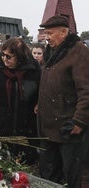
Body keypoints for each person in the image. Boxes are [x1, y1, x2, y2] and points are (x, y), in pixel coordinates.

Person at [37, 15, 89, 188]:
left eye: (50, 33)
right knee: (49, 173)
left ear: (64, 32)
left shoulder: (79, 51)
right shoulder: (51, 51)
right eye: (45, 34)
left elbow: (86, 90)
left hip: (69, 127)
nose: (47, 37)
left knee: (73, 174)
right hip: (49, 126)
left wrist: (79, 121)